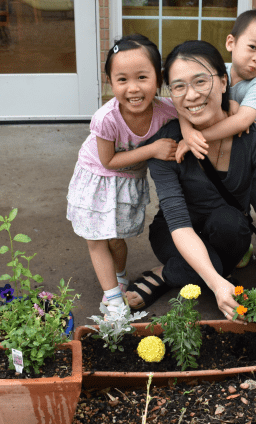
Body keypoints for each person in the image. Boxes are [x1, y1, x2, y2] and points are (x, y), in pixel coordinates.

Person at [125, 40, 256, 327]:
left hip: (228, 230)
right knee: (213, 270)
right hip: (175, 233)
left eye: (201, 81)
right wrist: (217, 283)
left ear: (223, 81)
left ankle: (172, 273)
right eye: (179, 86)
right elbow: (178, 223)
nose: (191, 95)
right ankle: (170, 272)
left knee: (229, 224)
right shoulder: (166, 144)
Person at [66, 34, 178, 313]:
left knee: (115, 238)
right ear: (110, 82)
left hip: (128, 179)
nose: (133, 88)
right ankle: (114, 299)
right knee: (96, 238)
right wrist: (153, 149)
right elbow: (109, 161)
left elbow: (190, 117)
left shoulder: (167, 110)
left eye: (142, 77)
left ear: (158, 78)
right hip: (97, 176)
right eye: (122, 79)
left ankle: (118, 276)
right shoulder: (106, 118)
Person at [175, 10, 256, 274]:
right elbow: (184, 104)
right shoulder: (216, 72)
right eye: (252, 47)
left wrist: (199, 137)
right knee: (237, 200)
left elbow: (242, 121)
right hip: (230, 153)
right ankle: (241, 243)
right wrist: (187, 132)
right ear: (231, 43)